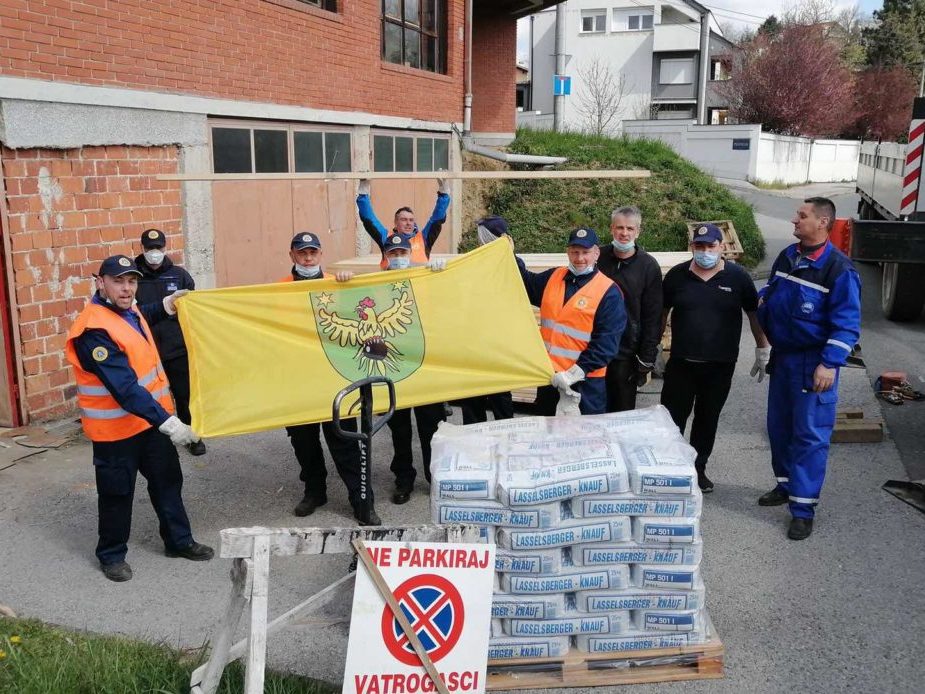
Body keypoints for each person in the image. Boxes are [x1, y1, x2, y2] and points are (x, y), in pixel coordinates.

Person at [64, 255, 213, 582]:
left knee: (168, 482)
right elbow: (125, 388)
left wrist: (167, 305)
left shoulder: (128, 310)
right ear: (100, 282)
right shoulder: (93, 331)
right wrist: (171, 422)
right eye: (118, 281)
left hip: (149, 425)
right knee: (117, 493)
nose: (127, 288)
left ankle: (178, 541)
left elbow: (140, 319)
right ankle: (112, 554)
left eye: (131, 281)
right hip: (116, 432)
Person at [756, 197, 861, 540]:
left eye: (802, 216)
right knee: (780, 428)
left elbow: (847, 324)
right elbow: (772, 292)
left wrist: (829, 364)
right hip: (784, 358)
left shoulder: (838, 269)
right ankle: (785, 486)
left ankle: (803, 509)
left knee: (809, 436)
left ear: (823, 223)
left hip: (814, 362)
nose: (794, 221)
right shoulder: (789, 255)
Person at [660, 224, 769, 494]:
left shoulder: (738, 278)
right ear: (692, 247)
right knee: (672, 419)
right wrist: (653, 347)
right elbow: (661, 312)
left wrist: (762, 348)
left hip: (720, 366)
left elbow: (754, 314)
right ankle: (672, 467)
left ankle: (698, 468)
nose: (705, 251)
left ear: (722, 247)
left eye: (711, 246)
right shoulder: (677, 276)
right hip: (682, 363)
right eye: (700, 246)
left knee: (707, 419)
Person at [280, 232, 381, 526]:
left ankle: (363, 502)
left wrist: (350, 284)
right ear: (292, 256)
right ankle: (315, 491)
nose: (308, 258)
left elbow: (359, 313)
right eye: (302, 253)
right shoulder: (276, 290)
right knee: (304, 442)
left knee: (345, 440)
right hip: (297, 379)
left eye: (313, 253)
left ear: (320, 255)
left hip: (334, 377)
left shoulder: (336, 284)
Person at [514, 227, 627, 416]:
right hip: (550, 380)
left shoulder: (609, 292)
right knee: (547, 438)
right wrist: (507, 253)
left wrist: (574, 373)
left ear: (596, 253)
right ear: (568, 252)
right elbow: (524, 282)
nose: (580, 258)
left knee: (585, 440)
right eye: (575, 252)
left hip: (585, 384)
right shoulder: (553, 277)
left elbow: (606, 344)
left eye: (586, 252)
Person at [381, 234, 448, 504]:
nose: (398, 258)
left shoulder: (425, 280)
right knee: (399, 429)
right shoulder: (375, 285)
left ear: (410, 253)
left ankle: (435, 478)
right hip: (393, 368)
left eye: (402, 253)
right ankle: (403, 479)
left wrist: (441, 275)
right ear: (386, 257)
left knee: (431, 427)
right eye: (393, 253)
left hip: (425, 367)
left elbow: (446, 304)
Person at [133, 228, 204, 456]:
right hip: (147, 350)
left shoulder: (179, 276)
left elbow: (194, 311)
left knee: (185, 396)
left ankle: (193, 436)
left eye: (159, 248)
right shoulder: (133, 278)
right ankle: (156, 441)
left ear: (165, 248)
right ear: (142, 249)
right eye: (150, 249)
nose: (154, 253)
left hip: (177, 348)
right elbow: (131, 313)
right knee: (152, 397)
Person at [596, 206, 664, 412]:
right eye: (619, 228)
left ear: (638, 231)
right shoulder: (597, 258)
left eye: (629, 228)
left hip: (625, 354)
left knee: (621, 416)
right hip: (594, 349)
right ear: (611, 229)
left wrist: (647, 358)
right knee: (593, 413)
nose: (624, 233)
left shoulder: (648, 266)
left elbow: (653, 316)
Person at [456, 216, 516, 425]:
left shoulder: (512, 265)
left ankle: (505, 450)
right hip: (472, 345)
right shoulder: (472, 262)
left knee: (501, 403)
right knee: (472, 404)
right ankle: (476, 453)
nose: (480, 241)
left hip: (498, 345)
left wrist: (510, 256)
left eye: (484, 237)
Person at [356, 177, 450, 270]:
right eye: (404, 220)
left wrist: (444, 194)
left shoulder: (423, 238)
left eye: (411, 220)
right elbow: (370, 220)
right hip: (391, 283)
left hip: (417, 283)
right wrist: (363, 193)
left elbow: (436, 220)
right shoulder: (387, 238)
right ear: (396, 222)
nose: (408, 223)